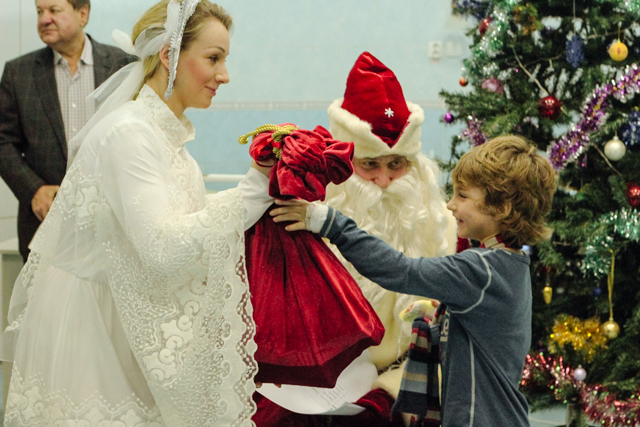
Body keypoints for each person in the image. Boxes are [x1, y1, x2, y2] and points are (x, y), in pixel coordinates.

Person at [2, 1, 273, 426]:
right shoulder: (129, 133)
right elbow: (163, 246)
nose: (224, 75)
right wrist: (254, 191)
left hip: (125, 316)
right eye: (213, 58)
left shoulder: (167, 139)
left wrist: (265, 190)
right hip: (92, 329)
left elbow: (189, 220)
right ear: (168, 56)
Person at [271, 135, 558, 427]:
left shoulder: (481, 269)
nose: (450, 204)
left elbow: (400, 270)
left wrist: (331, 224)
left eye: (462, 196)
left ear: (502, 207)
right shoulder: (510, 264)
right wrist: (442, 313)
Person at [252, 52, 456, 427]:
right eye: (370, 164)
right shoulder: (305, 215)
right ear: (345, 164)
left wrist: (388, 391)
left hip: (399, 383)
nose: (384, 180)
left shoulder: (441, 226)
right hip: (314, 384)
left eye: (397, 164)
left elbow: (448, 342)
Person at [0, 0, 134, 262]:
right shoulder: (18, 73)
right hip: (44, 223)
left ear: (82, 14)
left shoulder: (122, 65)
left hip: (111, 221)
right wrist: (34, 190)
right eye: (40, 11)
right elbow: (3, 142)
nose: (44, 19)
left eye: (54, 10)